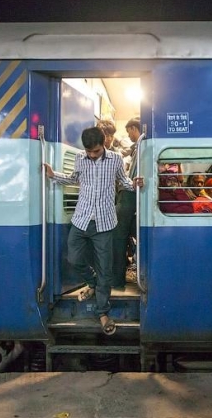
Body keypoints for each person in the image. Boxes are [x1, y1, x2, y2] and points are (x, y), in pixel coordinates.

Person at [42, 126, 143, 334]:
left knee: (105, 268)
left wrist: (135, 184)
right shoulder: (80, 158)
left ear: (104, 142)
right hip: (81, 218)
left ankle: (103, 313)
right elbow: (73, 178)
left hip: (105, 222)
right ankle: (93, 282)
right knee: (74, 258)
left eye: (95, 151)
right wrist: (53, 175)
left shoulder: (115, 159)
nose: (92, 155)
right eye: (88, 152)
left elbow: (123, 182)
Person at [112, 118, 143, 289]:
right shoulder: (137, 147)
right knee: (128, 231)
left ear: (134, 128)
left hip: (129, 194)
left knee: (118, 236)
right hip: (131, 193)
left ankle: (116, 280)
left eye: (129, 131)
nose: (129, 135)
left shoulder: (141, 144)